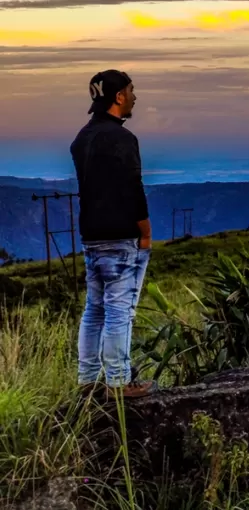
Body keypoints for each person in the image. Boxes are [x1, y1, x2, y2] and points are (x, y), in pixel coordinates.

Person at [71, 69, 155, 398]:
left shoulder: (81, 139)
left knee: (94, 309)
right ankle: (119, 382)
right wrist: (145, 233)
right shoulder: (123, 139)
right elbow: (133, 188)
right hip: (121, 238)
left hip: (91, 235)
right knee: (121, 310)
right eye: (132, 91)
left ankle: (88, 380)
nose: (135, 96)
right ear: (118, 96)